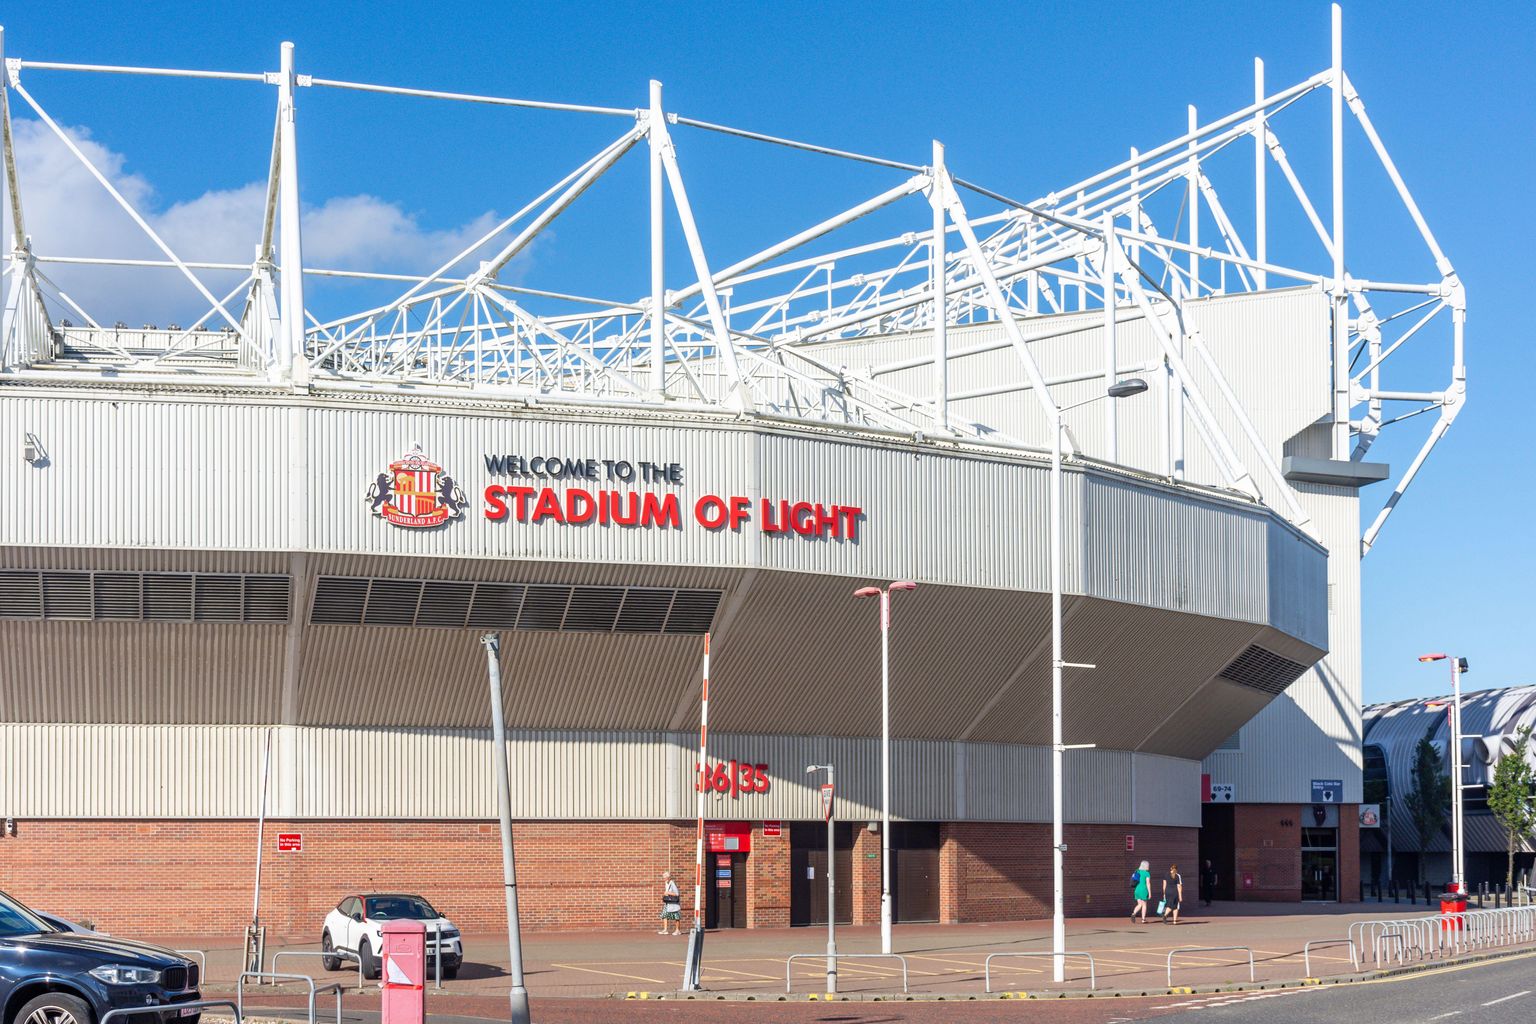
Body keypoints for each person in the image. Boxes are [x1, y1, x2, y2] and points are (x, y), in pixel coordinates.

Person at [658, 871, 682, 935]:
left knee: (676, 916)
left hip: (673, 903)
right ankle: (665, 929)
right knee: (664, 915)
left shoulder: (672, 883)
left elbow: (677, 893)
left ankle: (677, 930)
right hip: (668, 903)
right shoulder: (667, 883)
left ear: (668, 878)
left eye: (664, 878)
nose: (663, 879)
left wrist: (668, 893)